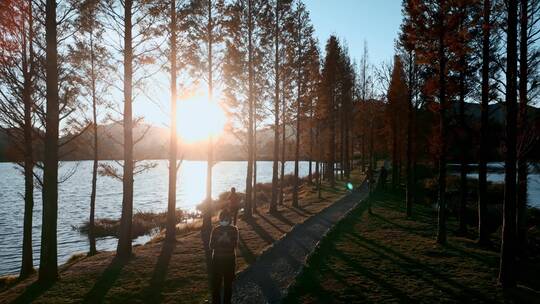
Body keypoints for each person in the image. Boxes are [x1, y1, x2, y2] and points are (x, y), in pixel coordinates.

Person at [209, 210, 238, 304]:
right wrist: (220, 240)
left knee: (228, 285)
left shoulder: (234, 229)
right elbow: (211, 245)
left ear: (229, 219)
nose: (224, 220)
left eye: (226, 219)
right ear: (219, 219)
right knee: (216, 285)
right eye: (222, 219)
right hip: (217, 260)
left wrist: (228, 240)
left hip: (229, 261)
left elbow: (234, 245)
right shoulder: (216, 230)